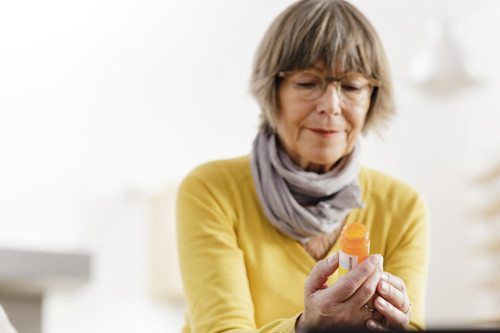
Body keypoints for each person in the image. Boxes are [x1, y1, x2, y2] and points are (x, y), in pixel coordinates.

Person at [176, 0, 429, 332]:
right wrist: (305, 327)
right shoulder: (211, 190)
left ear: (372, 99)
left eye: (352, 86)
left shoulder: (402, 206)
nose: (331, 106)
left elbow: (411, 325)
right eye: (308, 83)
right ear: (273, 91)